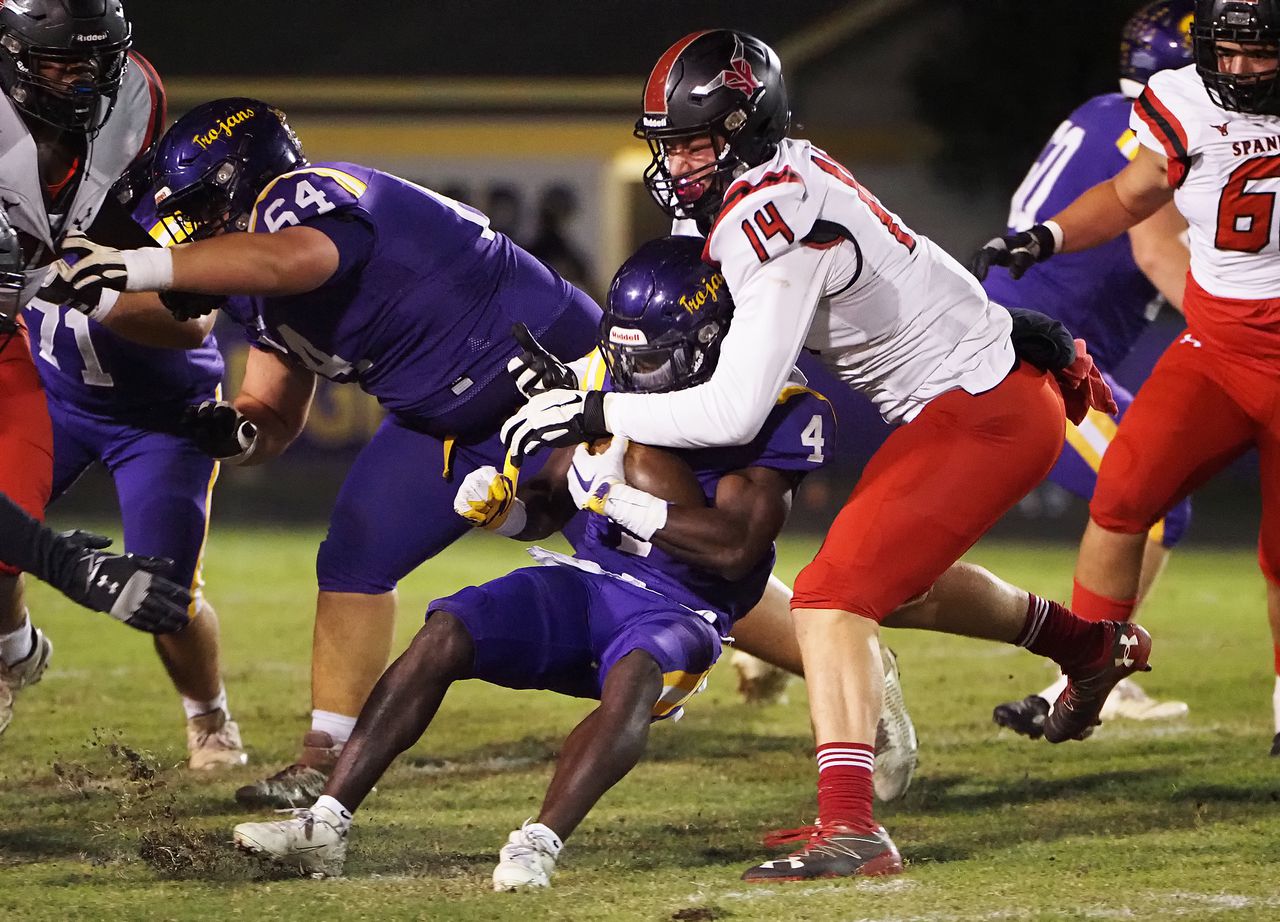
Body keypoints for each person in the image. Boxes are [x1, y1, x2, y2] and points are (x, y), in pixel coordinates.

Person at [61, 97, 922, 807]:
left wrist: (143, 270)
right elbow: (274, 406)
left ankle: (847, 663)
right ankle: (324, 756)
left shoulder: (305, 200)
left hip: (558, 374)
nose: (188, 233)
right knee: (356, 551)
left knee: (659, 557)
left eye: (202, 212)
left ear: (244, 187)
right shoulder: (244, 272)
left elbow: (293, 258)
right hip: (440, 419)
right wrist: (241, 433)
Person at [498, 29, 1149, 881]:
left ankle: (850, 827)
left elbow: (733, 405)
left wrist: (595, 405)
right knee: (890, 587)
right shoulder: (782, 173)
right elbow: (903, 256)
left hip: (984, 409)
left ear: (746, 126)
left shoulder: (769, 214)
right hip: (980, 393)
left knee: (832, 598)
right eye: (671, 144)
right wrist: (1016, 328)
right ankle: (1090, 649)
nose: (680, 163)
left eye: (697, 141)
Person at [228, 235, 837, 884]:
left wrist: (614, 495)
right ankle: (326, 823)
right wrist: (510, 514)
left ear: (711, 343)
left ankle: (537, 843)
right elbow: (551, 504)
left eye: (652, 360)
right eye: (622, 353)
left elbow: (734, 548)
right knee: (446, 632)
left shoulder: (780, 408)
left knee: (633, 678)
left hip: (682, 607)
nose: (630, 375)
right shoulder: (605, 372)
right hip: (588, 581)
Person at [972, 0, 1280, 756]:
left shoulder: (1113, 105)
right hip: (1158, 349)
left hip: (1062, 342)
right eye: (1223, 51)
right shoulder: (1174, 106)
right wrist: (1050, 238)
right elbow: (1140, 215)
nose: (1235, 69)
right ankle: (1084, 675)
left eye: (1256, 53)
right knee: (1132, 501)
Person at [981, 0, 1196, 738]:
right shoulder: (1154, 128)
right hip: (1039, 348)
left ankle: (1094, 669)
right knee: (1154, 500)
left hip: (1024, 335)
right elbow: (1158, 250)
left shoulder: (1105, 109)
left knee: (1156, 500)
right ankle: (1089, 674)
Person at [22, 165, 243, 768]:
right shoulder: (15, 194)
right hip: (52, 401)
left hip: (162, 420)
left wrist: (89, 287)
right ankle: (12, 650)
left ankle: (208, 713)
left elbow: (190, 318)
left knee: (163, 597)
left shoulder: (157, 200)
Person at [0, 0, 180, 729]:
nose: (78, 82)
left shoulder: (134, 98)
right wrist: (67, 565)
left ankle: (10, 642)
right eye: (56, 62)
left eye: (90, 62)